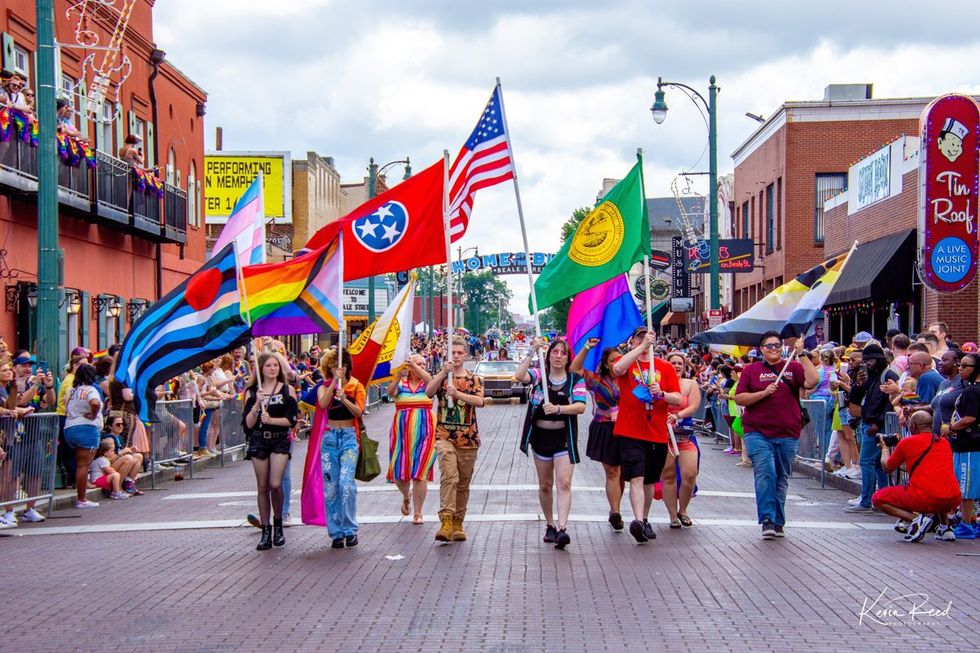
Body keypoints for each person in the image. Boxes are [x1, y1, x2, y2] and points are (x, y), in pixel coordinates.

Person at [734, 332, 818, 539]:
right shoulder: (751, 371)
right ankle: (767, 520)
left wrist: (802, 354)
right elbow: (740, 398)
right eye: (769, 346)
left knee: (781, 477)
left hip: (788, 432)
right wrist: (763, 393)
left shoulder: (794, 367)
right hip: (758, 432)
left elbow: (812, 380)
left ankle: (778, 520)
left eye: (777, 345)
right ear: (761, 349)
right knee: (766, 473)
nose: (774, 349)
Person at [610, 327, 682, 544]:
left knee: (650, 479)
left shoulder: (665, 367)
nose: (644, 341)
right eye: (639, 337)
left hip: (656, 431)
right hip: (630, 430)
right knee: (636, 477)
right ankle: (638, 521)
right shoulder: (629, 361)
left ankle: (645, 518)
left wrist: (662, 394)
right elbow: (617, 369)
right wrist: (641, 347)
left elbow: (678, 398)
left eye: (647, 337)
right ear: (632, 341)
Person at [515, 338, 587, 549]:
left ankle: (562, 527)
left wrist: (558, 409)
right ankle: (549, 524)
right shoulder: (539, 377)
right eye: (554, 352)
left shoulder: (575, 380)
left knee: (564, 483)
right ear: (548, 356)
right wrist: (532, 350)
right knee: (545, 485)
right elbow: (520, 376)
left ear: (567, 358)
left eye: (562, 353)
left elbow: (580, 407)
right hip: (540, 439)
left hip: (563, 439)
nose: (558, 356)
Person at [425, 337, 485, 543]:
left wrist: (458, 393)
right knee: (449, 476)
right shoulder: (443, 378)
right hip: (445, 436)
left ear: (466, 355)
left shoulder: (474, 379)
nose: (456, 356)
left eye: (460, 353)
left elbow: (479, 401)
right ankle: (446, 519)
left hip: (468, 438)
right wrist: (443, 373)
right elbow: (428, 392)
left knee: (463, 483)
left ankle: (459, 521)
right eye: (453, 353)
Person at [872, 411, 961, 542]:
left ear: (913, 426)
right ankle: (945, 527)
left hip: (924, 497)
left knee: (878, 498)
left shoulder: (907, 442)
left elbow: (887, 467)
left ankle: (915, 520)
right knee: (939, 484)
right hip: (952, 498)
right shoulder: (943, 442)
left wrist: (884, 449)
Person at [243, 353, 298, 551]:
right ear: (261, 369)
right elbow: (248, 425)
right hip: (259, 440)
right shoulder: (251, 392)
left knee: (276, 483)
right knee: (262, 486)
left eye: (276, 365)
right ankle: (266, 530)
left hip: (280, 440)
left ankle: (278, 524)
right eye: (268, 366)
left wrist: (272, 420)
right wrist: (257, 404)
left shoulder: (287, 390)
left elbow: (291, 420)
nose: (273, 369)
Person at [570, 338, 625, 531]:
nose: (616, 363)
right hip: (605, 428)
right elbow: (575, 370)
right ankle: (616, 512)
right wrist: (586, 348)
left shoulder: (632, 379)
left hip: (627, 429)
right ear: (605, 364)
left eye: (620, 359)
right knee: (613, 471)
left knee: (622, 474)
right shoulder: (597, 380)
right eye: (612, 360)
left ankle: (615, 507)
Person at [315, 348, 365, 549]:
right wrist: (333, 385)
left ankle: (350, 528)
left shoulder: (356, 386)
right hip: (329, 438)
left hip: (349, 437)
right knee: (331, 487)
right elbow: (323, 403)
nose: (339, 369)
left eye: (342, 365)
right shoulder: (323, 386)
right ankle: (335, 531)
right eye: (335, 366)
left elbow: (359, 412)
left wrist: (344, 397)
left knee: (346, 483)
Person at [844, 343, 899, 513]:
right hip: (870, 422)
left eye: (872, 360)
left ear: (881, 359)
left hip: (877, 424)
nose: (869, 363)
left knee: (867, 461)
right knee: (876, 464)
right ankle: (881, 499)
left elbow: (892, 402)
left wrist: (878, 423)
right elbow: (855, 397)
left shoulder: (887, 375)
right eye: (866, 360)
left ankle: (867, 500)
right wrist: (859, 384)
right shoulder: (872, 376)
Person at [386, 354, 435, 525]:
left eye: (423, 363)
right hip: (402, 433)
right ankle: (407, 496)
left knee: (420, 473)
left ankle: (418, 512)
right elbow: (390, 393)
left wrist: (416, 367)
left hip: (425, 431)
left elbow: (430, 381)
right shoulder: (402, 383)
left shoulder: (428, 384)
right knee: (400, 473)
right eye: (417, 363)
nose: (420, 366)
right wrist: (398, 374)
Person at [942, 352, 980, 540]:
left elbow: (970, 418)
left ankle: (967, 524)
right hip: (967, 445)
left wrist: (950, 428)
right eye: (960, 365)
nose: (960, 369)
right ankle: (972, 521)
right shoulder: (972, 388)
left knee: (966, 488)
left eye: (965, 366)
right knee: (969, 486)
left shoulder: (973, 391)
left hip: (970, 446)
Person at [663, 352, 702, 528]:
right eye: (673, 363)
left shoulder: (690, 384)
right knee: (668, 475)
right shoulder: (660, 384)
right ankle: (672, 515)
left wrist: (678, 415)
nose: (677, 366)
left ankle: (683, 509)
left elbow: (694, 405)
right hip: (664, 435)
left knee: (690, 474)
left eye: (680, 363)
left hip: (685, 434)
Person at [64, 364, 105, 509]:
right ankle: (81, 498)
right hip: (87, 428)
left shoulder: (71, 390)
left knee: (78, 464)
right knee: (83, 465)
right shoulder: (91, 389)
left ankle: (81, 496)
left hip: (70, 427)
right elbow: (95, 403)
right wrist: (93, 414)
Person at [102, 415, 144, 495]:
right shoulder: (109, 439)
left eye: (123, 424)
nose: (121, 426)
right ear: (110, 426)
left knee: (138, 456)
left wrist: (129, 451)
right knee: (127, 458)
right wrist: (122, 453)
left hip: (115, 464)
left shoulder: (119, 438)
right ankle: (116, 488)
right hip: (107, 467)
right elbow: (107, 460)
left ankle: (128, 483)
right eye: (118, 424)